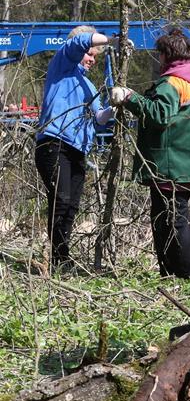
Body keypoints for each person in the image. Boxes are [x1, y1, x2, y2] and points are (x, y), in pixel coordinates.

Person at [110, 30, 190, 279]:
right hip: (186, 164)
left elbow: (159, 115)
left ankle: (186, 277)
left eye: (159, 54)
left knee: (171, 223)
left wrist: (130, 98)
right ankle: (173, 274)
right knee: (173, 221)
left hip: (169, 165)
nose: (158, 59)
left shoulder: (171, 82)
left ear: (166, 54)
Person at [34, 25, 115, 271]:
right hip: (54, 143)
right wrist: (113, 40)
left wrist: (117, 105)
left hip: (78, 148)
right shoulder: (62, 65)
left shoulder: (89, 86)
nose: (91, 60)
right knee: (61, 199)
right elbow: (78, 43)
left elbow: (99, 117)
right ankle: (59, 257)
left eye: (95, 57)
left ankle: (62, 259)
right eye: (90, 54)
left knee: (72, 205)